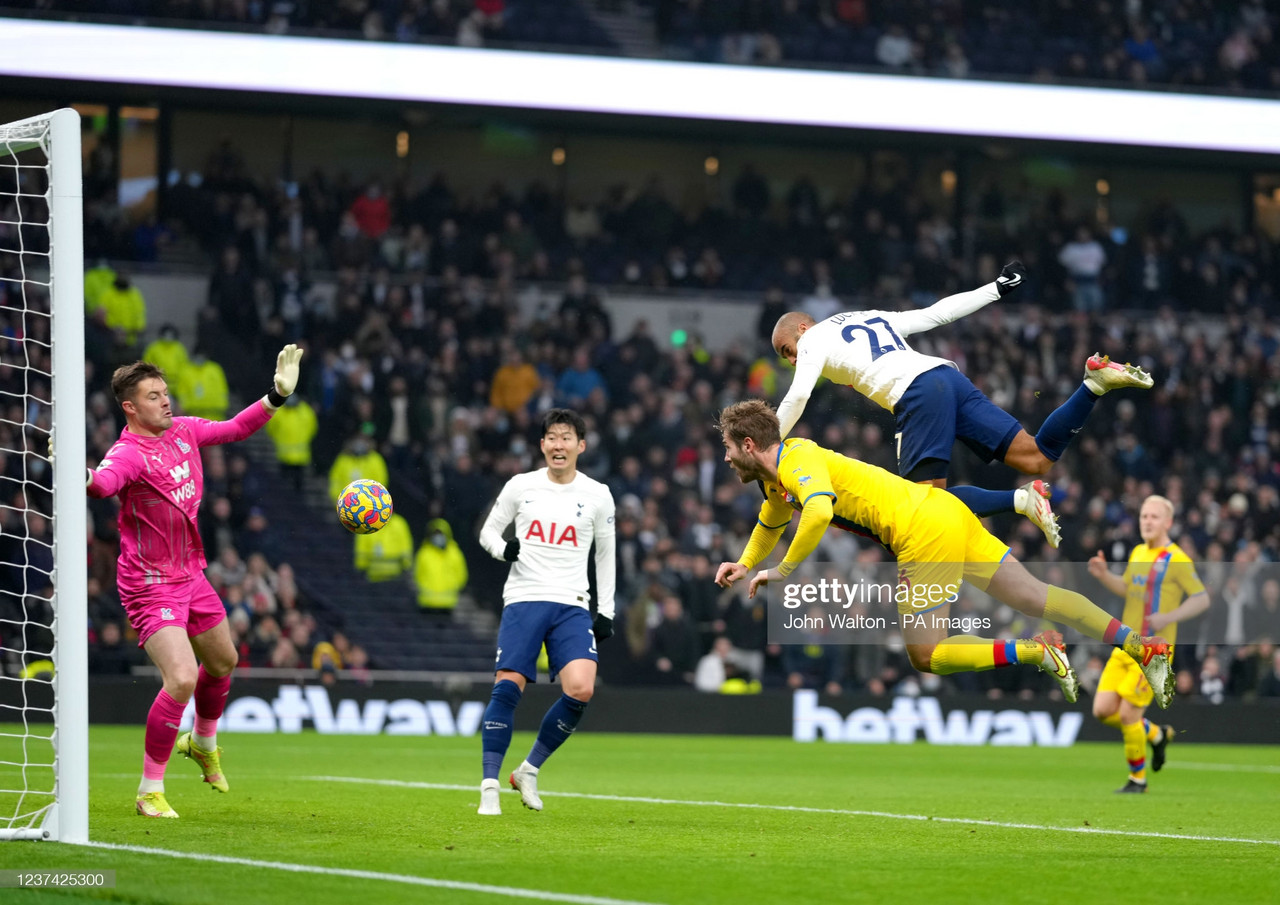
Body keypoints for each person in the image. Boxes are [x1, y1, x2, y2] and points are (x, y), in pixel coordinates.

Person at [711, 400, 1174, 707]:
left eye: (729, 449)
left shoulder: (797, 459)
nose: (727, 458)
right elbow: (770, 522)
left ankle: (1036, 652)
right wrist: (748, 562)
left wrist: (784, 570)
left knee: (926, 654)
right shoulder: (777, 480)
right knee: (1038, 596)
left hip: (922, 532)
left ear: (749, 444)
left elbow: (815, 513)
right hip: (943, 512)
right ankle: (1143, 646)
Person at [769, 262, 1154, 548]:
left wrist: (772, 447)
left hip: (917, 395)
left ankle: (1019, 501)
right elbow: (935, 314)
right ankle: (1093, 386)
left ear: (802, 329)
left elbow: (799, 395)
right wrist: (996, 288)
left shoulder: (812, 341)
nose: (791, 359)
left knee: (924, 507)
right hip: (947, 378)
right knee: (1037, 457)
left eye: (788, 350)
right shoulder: (867, 317)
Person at [83, 344, 303, 818]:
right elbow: (103, 484)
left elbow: (235, 428)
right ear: (130, 407)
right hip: (148, 582)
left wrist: (276, 396)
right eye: (154, 396)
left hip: (190, 573)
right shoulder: (129, 454)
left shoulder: (184, 431)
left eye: (165, 392)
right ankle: (149, 791)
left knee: (223, 661)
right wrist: (77, 476)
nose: (166, 401)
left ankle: (203, 743)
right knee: (181, 678)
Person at [475, 408, 616, 816]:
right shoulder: (521, 486)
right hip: (525, 596)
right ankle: (488, 785)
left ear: (581, 446)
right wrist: (503, 549)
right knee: (508, 686)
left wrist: (605, 610)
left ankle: (529, 770)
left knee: (582, 688)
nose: (559, 444)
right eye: (552, 437)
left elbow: (606, 555)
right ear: (542, 446)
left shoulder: (598, 494)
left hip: (572, 603)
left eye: (567, 437)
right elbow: (488, 530)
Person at [1088, 495, 1209, 793]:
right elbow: (1128, 589)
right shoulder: (1138, 552)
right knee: (1103, 710)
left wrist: (1169, 616)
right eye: (1144, 516)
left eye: (1154, 517)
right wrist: (1105, 576)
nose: (1148, 522)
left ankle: (1137, 780)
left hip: (1154, 653)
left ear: (1168, 522)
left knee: (1129, 714)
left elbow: (1202, 598)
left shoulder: (1177, 558)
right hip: (1126, 645)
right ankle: (1157, 735)